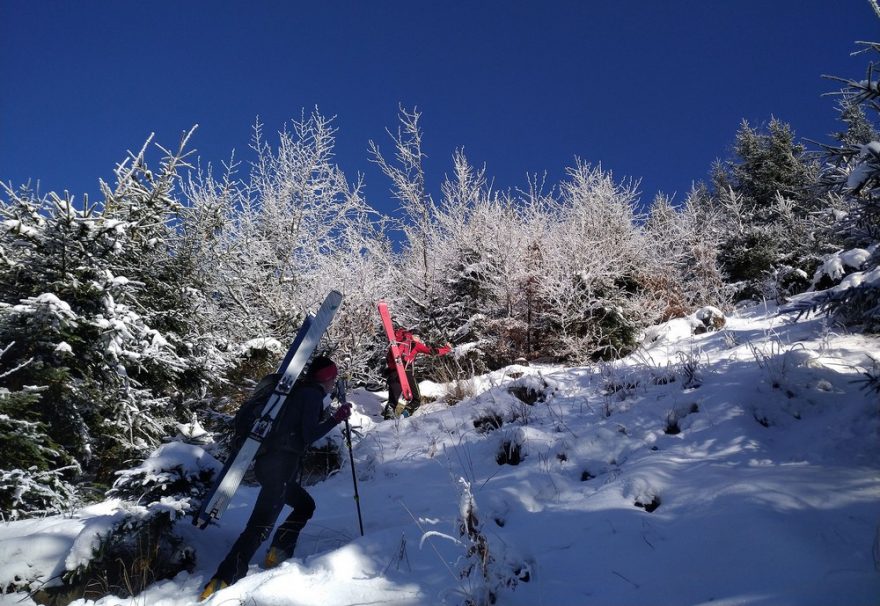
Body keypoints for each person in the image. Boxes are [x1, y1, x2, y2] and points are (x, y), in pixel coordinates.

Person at [200, 356, 351, 601]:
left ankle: (278, 551)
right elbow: (307, 435)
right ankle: (223, 580)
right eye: (333, 378)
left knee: (304, 505)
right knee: (259, 527)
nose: (334, 382)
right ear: (327, 379)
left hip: (269, 465)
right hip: (281, 467)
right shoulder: (311, 396)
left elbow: (297, 425)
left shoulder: (299, 391)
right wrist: (336, 418)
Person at [384, 327, 451, 418]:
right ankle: (403, 415)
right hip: (406, 373)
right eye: (418, 337)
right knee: (416, 399)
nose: (419, 339)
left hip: (393, 372)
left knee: (394, 398)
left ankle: (389, 415)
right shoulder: (416, 344)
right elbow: (431, 351)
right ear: (415, 336)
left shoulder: (399, 340)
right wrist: (446, 349)